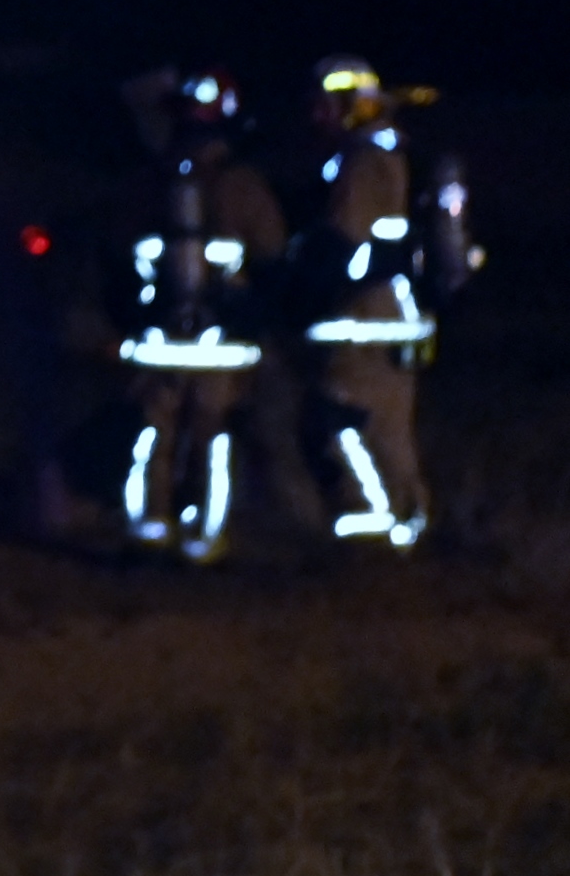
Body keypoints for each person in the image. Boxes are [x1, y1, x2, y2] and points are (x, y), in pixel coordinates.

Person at [111, 68, 288, 560]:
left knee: (154, 432)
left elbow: (119, 253)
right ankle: (206, 538)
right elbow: (272, 255)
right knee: (214, 438)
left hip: (162, 337)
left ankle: (148, 529)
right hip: (221, 342)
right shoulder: (245, 186)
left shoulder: (150, 182)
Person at [289, 55, 432, 548]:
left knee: (333, 417)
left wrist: (298, 279)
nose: (316, 116)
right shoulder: (393, 153)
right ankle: (405, 526)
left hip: (365, 315)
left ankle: (369, 521)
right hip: (399, 316)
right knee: (389, 428)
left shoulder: (363, 161)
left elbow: (341, 240)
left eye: (326, 105)